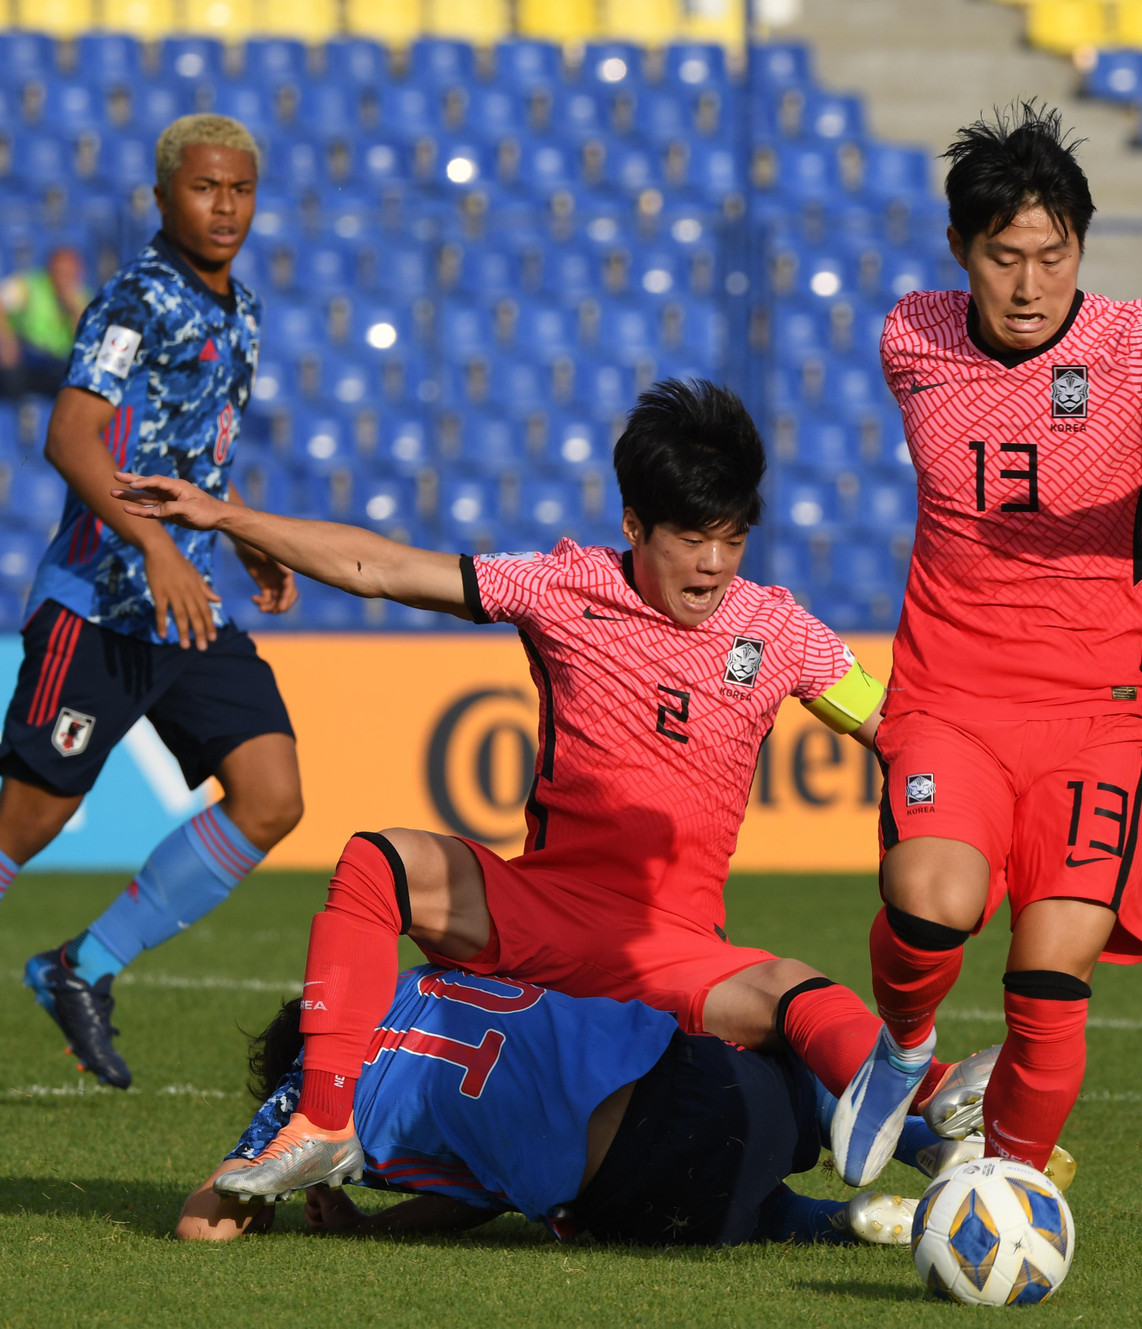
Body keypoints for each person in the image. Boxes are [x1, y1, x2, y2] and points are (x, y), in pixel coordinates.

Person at [112, 378, 982, 1198]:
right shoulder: (569, 587)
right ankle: (324, 1120)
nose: (714, 564)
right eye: (690, 537)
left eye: (733, 536)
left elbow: (896, 730)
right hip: (545, 909)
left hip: (667, 944)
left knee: (797, 996)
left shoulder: (782, 629)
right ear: (635, 524)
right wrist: (230, 516)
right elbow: (385, 568)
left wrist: (945, 808)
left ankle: (947, 1119)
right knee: (377, 862)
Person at [832, 101, 1142, 1186]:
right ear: (960, 253)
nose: (1031, 283)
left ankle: (1002, 1191)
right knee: (932, 906)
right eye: (1004, 257)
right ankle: (903, 1051)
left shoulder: (1140, 340)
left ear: (1081, 248)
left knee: (1050, 975)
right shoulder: (913, 335)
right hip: (951, 695)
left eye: (1054, 254)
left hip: (1094, 718)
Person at [0, 114, 303, 1091]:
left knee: (272, 797)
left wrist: (246, 534)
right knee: (28, 824)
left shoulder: (240, 310)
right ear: (166, 195)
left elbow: (194, 453)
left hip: (182, 607)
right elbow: (73, 437)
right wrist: (158, 548)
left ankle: (79, 966)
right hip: (98, 603)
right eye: (206, 188)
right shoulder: (135, 299)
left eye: (241, 189)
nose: (226, 207)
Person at [178, 963, 1002, 1246]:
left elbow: (201, 1222)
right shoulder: (425, 976)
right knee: (783, 1020)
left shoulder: (316, 1099)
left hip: (641, 1198)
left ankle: (823, 1221)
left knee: (594, 1200)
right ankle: (920, 1131)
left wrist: (334, 1212)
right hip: (702, 1086)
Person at [0, 246, 90, 399]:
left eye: (68, 273)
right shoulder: (29, 286)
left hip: (58, 365)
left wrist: (72, 308)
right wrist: (6, 338)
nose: (63, 278)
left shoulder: (85, 299)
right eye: (59, 272)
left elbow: (85, 342)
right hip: (27, 358)